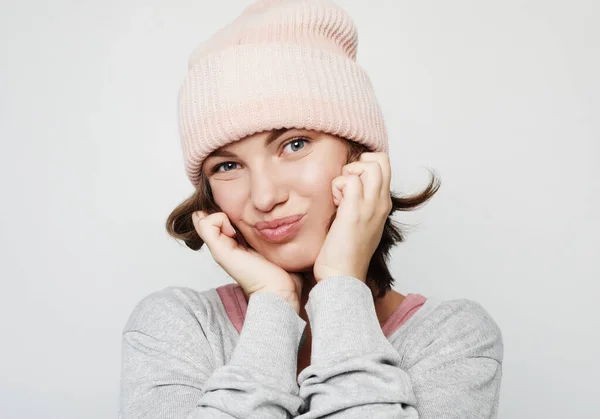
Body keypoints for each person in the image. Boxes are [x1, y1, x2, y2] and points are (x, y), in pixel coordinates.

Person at [118, 0, 504, 417]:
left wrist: (340, 285)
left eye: (295, 144)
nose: (265, 197)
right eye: (228, 165)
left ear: (361, 158)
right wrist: (273, 302)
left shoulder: (452, 338)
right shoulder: (177, 326)